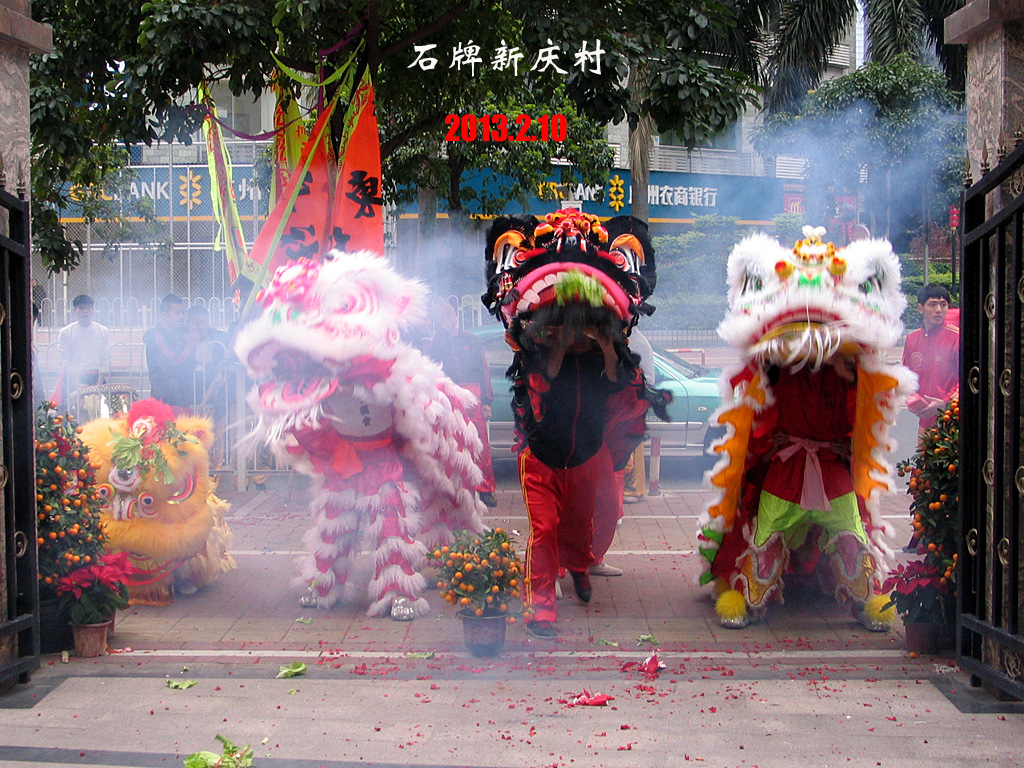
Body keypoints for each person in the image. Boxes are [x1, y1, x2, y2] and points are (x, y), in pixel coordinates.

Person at [589, 329, 657, 579]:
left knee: (608, 504)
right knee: (565, 508)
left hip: (599, 440)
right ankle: (554, 568)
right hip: (566, 438)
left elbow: (638, 387)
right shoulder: (567, 344)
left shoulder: (630, 341)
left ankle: (592, 558)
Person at [424, 301, 497, 506]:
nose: (447, 319)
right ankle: (459, 489)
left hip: (473, 395)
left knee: (480, 445)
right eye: (442, 316)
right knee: (454, 445)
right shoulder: (434, 344)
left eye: (449, 314)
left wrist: (486, 401)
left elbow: (483, 370)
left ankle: (485, 489)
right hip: (449, 398)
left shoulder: (471, 340)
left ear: (455, 315)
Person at [901, 285, 959, 434]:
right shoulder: (912, 339)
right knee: (923, 449)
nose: (938, 310)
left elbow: (966, 379)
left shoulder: (957, 337)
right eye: (932, 304)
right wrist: (911, 398)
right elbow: (906, 376)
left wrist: (945, 403)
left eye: (943, 304)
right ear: (920, 308)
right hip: (925, 420)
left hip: (952, 418)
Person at [144, 294, 196, 409]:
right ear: (164, 315)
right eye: (177, 313)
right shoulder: (156, 336)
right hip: (164, 400)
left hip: (183, 398)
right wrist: (190, 345)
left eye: (183, 313)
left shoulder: (182, 334)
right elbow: (175, 362)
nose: (181, 316)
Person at [56, 294, 110, 399]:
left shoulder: (103, 331)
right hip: (73, 377)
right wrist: (76, 383)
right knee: (69, 408)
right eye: (81, 308)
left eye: (88, 308)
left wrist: (99, 382)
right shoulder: (66, 332)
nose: (85, 312)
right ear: (75, 310)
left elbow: (105, 358)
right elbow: (64, 359)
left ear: (93, 310)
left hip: (96, 377)